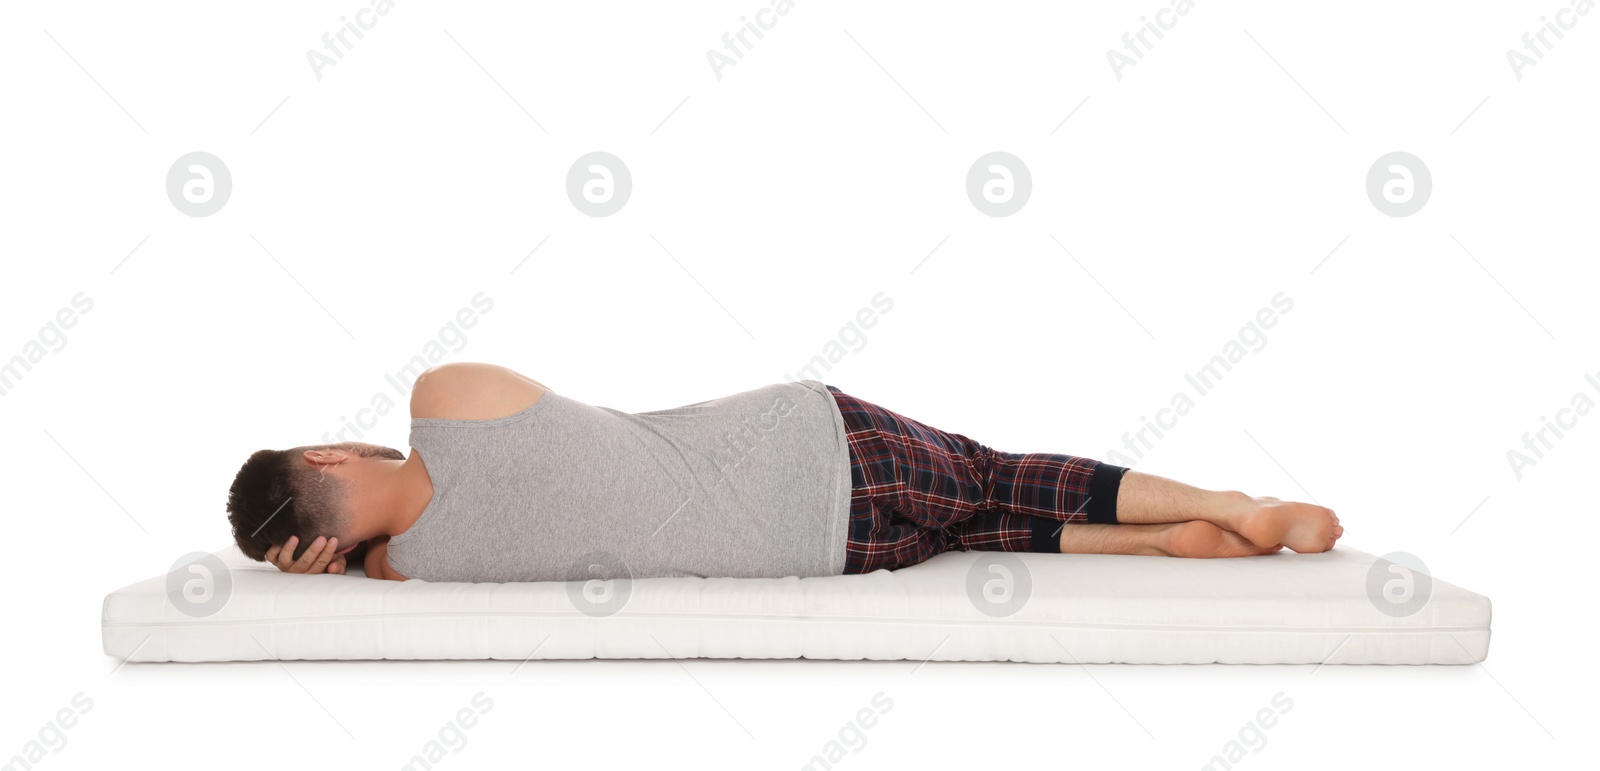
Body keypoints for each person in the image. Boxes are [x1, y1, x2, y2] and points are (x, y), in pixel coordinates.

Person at [226, 362, 1341, 582]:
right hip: (812, 442)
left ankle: (1158, 545)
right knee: (996, 474)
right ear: (326, 452)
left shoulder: (418, 570)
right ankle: (1225, 507)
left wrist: (355, 557)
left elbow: (392, 542)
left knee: (970, 529)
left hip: (826, 554)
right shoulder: (445, 399)